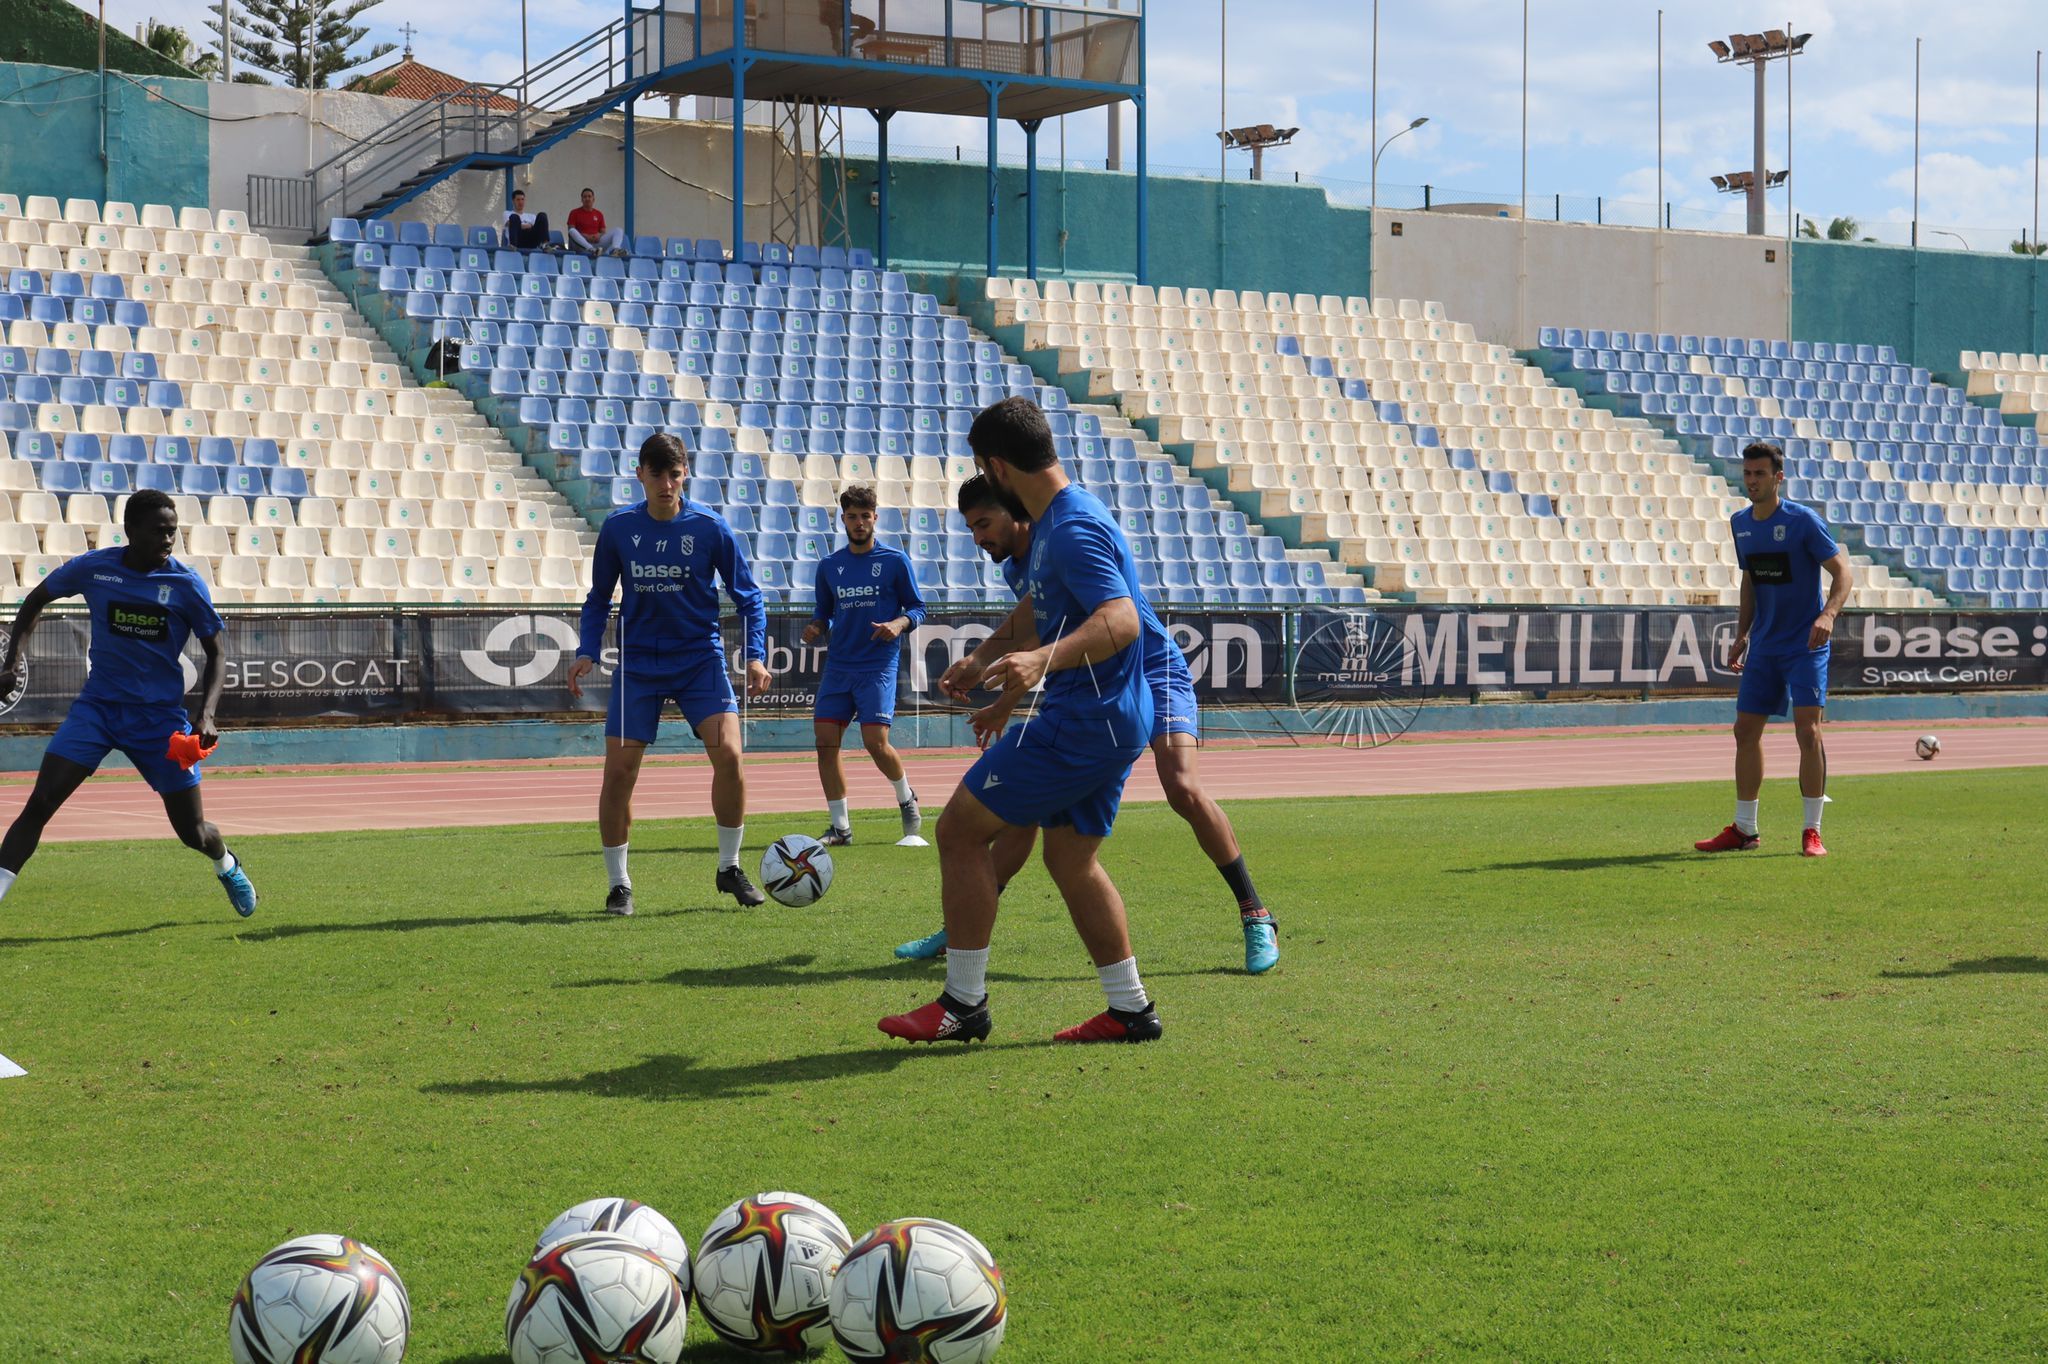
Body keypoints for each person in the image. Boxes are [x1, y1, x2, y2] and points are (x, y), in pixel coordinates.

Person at [893, 475, 1278, 973]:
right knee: (1022, 809)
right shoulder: (1021, 563)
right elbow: (1034, 620)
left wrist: (1006, 685)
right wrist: (1000, 688)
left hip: (1153, 670)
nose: (978, 538)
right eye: (970, 529)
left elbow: (1102, 625)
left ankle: (1255, 913)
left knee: (1182, 787)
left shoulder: (1063, 537)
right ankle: (963, 924)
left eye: (984, 523)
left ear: (1016, 514)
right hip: (1092, 689)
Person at [878, 397, 1162, 1046]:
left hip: (1084, 717)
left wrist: (1040, 661)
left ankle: (963, 1003)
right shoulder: (1061, 518)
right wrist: (987, 661)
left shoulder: (1069, 528)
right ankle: (1131, 1009)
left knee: (957, 831)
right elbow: (1043, 605)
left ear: (996, 466)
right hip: (1115, 714)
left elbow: (1121, 620)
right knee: (1071, 860)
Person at [0, 489, 257, 915]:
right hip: (97, 710)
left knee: (192, 831)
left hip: (159, 724)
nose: (168, 540)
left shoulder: (185, 585)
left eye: (173, 532)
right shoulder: (94, 568)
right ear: (130, 530)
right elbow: (36, 599)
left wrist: (206, 714)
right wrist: (13, 661)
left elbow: (218, 652)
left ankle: (226, 863)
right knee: (40, 803)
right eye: (159, 531)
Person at [568, 432, 773, 912]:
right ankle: (619, 884)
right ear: (639, 473)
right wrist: (587, 649)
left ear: (686, 475)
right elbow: (599, 598)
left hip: (699, 661)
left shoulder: (711, 528)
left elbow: (750, 597)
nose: (666, 483)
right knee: (618, 773)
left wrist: (756, 655)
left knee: (730, 756)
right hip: (638, 665)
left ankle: (729, 868)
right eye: (656, 473)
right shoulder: (619, 529)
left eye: (674, 474)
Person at [1695, 439, 1853, 859]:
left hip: (1805, 644)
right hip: (1764, 645)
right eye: (1747, 473)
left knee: (1808, 732)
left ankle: (1812, 830)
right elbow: (1750, 580)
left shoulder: (1803, 521)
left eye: (1760, 473)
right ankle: (1745, 829)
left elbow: (1843, 573)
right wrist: (1743, 633)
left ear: (1778, 477)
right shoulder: (1740, 523)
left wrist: (1828, 616)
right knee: (1744, 731)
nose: (1752, 481)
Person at [800, 484, 926, 846]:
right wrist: (815, 627)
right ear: (843, 520)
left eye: (865, 516)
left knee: (875, 742)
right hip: (839, 666)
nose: (859, 523)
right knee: (825, 743)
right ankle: (840, 828)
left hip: (877, 665)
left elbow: (917, 608)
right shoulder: (829, 567)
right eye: (852, 517)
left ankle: (906, 797)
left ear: (875, 518)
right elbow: (823, 613)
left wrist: (899, 624)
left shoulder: (894, 562)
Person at [565, 188, 627, 257]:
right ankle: (591, 250)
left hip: (597, 243)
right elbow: (571, 230)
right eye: (585, 197)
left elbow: (603, 232)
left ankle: (616, 250)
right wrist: (587, 236)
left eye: (589, 196)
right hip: (582, 244)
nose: (587, 199)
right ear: (581, 200)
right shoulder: (574, 212)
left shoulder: (599, 214)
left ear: (593, 199)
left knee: (618, 230)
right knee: (572, 231)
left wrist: (598, 235)